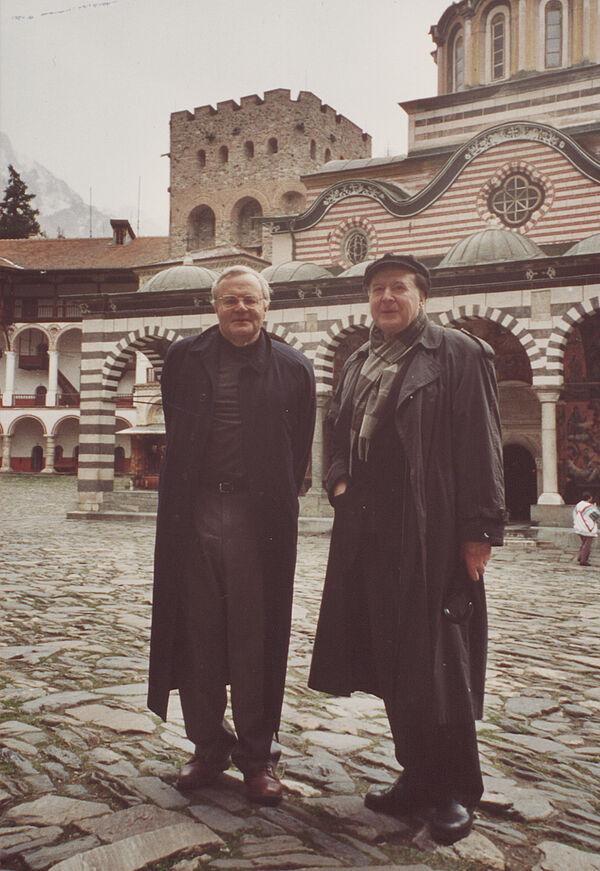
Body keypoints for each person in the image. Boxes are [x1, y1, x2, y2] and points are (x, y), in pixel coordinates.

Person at [309, 252, 505, 845]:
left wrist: (479, 531)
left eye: (398, 288)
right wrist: (339, 481)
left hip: (432, 528)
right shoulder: (358, 360)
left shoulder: (457, 354)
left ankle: (451, 790)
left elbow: (482, 442)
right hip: (367, 528)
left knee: (438, 661)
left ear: (422, 296)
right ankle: (415, 776)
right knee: (392, 657)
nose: (386, 298)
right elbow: (337, 429)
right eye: (377, 289)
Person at [148, 265, 315, 806]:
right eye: (229, 301)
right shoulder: (184, 358)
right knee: (197, 631)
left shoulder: (292, 367)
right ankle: (206, 748)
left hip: (255, 517)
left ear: (267, 306)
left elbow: (300, 449)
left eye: (250, 300)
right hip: (194, 513)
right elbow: (177, 428)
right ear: (213, 305)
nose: (240, 309)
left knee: (253, 634)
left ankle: (257, 755)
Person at [573, 491, 600, 565]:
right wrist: (595, 507)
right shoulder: (589, 507)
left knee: (583, 543)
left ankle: (580, 557)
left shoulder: (578, 505)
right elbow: (596, 516)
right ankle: (583, 560)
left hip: (579, 526)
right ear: (589, 498)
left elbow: (574, 515)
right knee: (587, 545)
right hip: (587, 527)